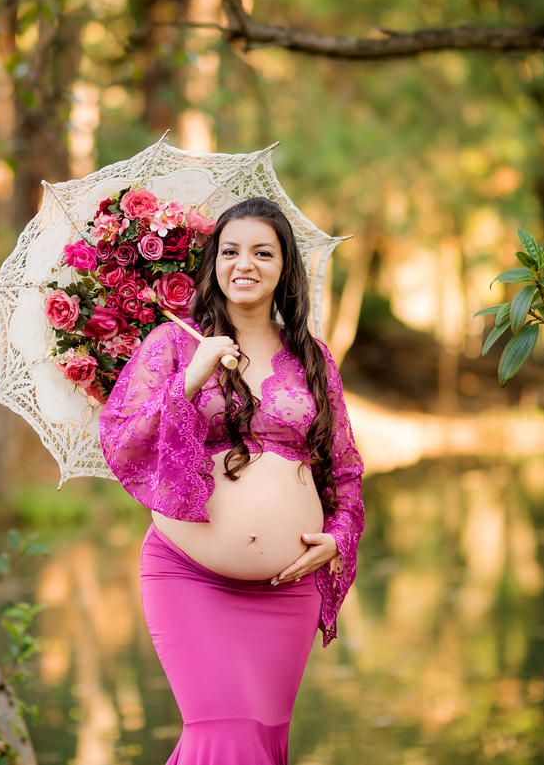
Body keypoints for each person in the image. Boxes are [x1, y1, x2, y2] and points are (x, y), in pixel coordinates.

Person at [98, 196, 365, 764]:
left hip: (286, 588)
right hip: (190, 577)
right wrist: (188, 383)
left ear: (284, 268)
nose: (245, 264)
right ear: (214, 264)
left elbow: (343, 469)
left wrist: (338, 538)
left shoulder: (312, 357)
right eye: (231, 251)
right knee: (228, 738)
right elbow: (122, 439)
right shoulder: (172, 346)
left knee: (261, 743)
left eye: (262, 252)